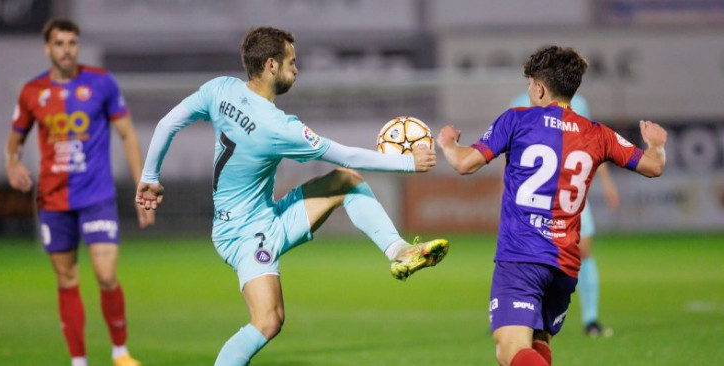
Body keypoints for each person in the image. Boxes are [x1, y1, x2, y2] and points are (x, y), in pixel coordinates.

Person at [135, 26, 449, 366]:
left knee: (346, 181)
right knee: (268, 321)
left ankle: (399, 250)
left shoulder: (220, 89)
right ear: (271, 65)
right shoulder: (277, 127)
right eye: (292, 62)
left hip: (263, 216)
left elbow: (167, 123)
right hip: (244, 235)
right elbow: (343, 152)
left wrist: (150, 177)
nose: (296, 69)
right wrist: (406, 162)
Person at [437, 45, 667, 366]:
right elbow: (654, 166)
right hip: (565, 265)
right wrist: (656, 143)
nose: (528, 91)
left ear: (540, 88)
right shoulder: (598, 134)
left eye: (530, 84)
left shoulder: (516, 120)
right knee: (538, 341)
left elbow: (465, 164)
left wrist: (449, 144)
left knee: (509, 350)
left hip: (522, 258)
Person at [3, 19, 153, 366]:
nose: (66, 49)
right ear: (48, 48)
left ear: (78, 46)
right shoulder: (31, 92)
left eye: (72, 42)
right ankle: (78, 360)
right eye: (59, 43)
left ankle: (120, 352)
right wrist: (12, 163)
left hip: (96, 196)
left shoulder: (101, 83)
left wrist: (141, 186)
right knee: (67, 278)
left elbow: (128, 134)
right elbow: (15, 141)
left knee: (106, 274)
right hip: (54, 201)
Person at [509, 93, 620, 337]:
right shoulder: (518, 102)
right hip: (534, 197)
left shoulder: (578, 102)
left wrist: (607, 183)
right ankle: (522, 316)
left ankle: (591, 319)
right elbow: (510, 151)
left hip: (570, 194)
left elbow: (593, 144)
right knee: (530, 254)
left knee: (584, 249)